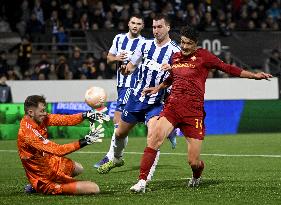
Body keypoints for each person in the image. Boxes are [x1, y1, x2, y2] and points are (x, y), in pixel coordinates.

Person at [130, 25, 273, 193]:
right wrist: (157, 88)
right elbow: (172, 77)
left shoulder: (204, 57)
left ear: (195, 44)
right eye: (182, 42)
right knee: (154, 138)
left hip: (193, 113)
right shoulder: (175, 57)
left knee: (193, 161)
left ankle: (197, 175)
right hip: (172, 107)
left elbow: (227, 68)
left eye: (188, 43)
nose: (184, 46)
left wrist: (254, 76)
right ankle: (142, 181)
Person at [97, 14, 181, 181]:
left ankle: (145, 179)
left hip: (156, 102)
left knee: (153, 138)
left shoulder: (175, 51)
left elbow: (182, 75)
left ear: (168, 28)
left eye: (159, 27)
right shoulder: (145, 44)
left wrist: (172, 68)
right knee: (120, 133)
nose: (156, 30)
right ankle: (117, 158)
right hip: (136, 98)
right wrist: (125, 70)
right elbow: (131, 65)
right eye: (154, 27)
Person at [18, 95, 109, 195]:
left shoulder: (38, 118)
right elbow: (58, 150)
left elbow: (64, 119)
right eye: (42, 111)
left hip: (49, 163)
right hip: (43, 178)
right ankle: (39, 187)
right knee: (94, 188)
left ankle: (37, 184)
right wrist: (85, 141)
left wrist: (85, 115)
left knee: (78, 168)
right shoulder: (27, 134)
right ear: (31, 112)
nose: (45, 114)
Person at [93, 14, 145, 168]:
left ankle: (111, 157)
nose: (135, 26)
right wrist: (117, 58)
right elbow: (109, 58)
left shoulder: (144, 43)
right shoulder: (119, 39)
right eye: (133, 22)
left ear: (142, 26)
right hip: (121, 86)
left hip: (133, 86)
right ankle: (117, 156)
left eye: (139, 24)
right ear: (128, 23)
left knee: (118, 121)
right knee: (121, 124)